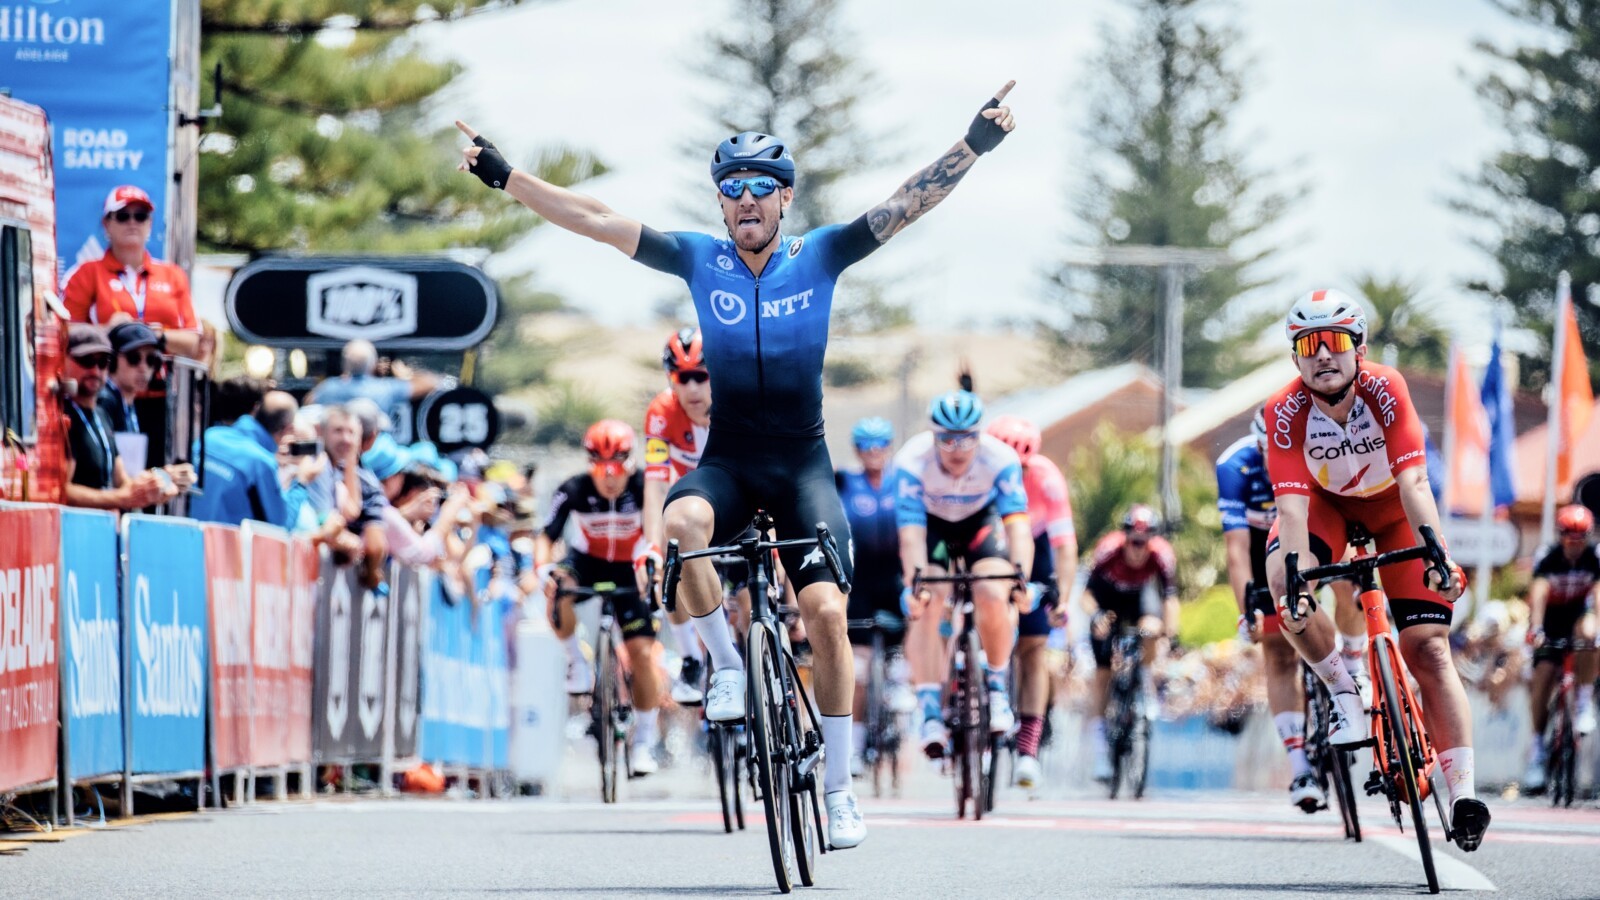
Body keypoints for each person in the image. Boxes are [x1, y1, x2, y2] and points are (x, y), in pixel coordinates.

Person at [456, 79, 1016, 848]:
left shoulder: (821, 255)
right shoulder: (697, 259)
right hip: (728, 462)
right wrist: (506, 175)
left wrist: (973, 146)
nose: (747, 200)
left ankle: (840, 789)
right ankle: (723, 664)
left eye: (762, 188)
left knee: (822, 614)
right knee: (683, 522)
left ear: (785, 200)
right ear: (721, 204)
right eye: (732, 189)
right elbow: (592, 219)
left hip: (803, 469)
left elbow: (907, 201)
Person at [1263, 288, 1489, 851]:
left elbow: (1415, 482)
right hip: (1327, 510)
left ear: (1358, 346)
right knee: (1281, 583)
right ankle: (1345, 689)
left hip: (1394, 510)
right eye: (1307, 345)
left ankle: (1463, 795)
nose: (1322, 356)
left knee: (1429, 649)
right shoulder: (1283, 411)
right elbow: (1291, 509)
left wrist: (1436, 552)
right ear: (1295, 356)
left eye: (1334, 342)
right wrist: (1296, 580)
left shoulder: (1386, 387)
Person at [897, 391, 1035, 758]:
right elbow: (911, 536)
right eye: (947, 439)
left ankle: (996, 686)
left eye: (967, 438)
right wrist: (915, 584)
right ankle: (929, 711)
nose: (958, 449)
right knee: (928, 599)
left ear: (980, 436)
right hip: (934, 527)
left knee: (993, 591)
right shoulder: (912, 460)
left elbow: (1019, 529)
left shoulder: (1000, 458)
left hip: (980, 524)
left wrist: (1021, 580)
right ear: (933, 436)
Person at [535, 420, 665, 775]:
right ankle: (576, 659)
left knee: (641, 655)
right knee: (558, 583)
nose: (609, 480)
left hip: (629, 566)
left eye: (617, 470)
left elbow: (662, 533)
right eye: (601, 470)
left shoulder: (643, 489)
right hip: (588, 561)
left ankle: (644, 743)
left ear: (630, 463)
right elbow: (545, 536)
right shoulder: (573, 489)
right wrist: (543, 570)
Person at [986, 414, 1076, 791]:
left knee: (1034, 649)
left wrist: (1062, 600)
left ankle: (1027, 751)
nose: (1014, 473)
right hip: (988, 540)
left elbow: (1065, 546)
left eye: (1021, 467)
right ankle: (969, 713)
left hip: (1033, 545)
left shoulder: (1046, 478)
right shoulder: (977, 470)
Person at [642, 327, 712, 706]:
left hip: (740, 506)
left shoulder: (735, 404)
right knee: (668, 567)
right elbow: (655, 486)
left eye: (701, 375)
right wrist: (651, 546)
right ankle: (691, 658)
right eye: (682, 378)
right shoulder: (660, 413)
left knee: (755, 591)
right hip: (693, 510)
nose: (692, 389)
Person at [1083, 504, 1178, 781]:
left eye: (1144, 542)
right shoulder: (1108, 550)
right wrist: (1096, 616)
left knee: (1151, 629)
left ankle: (1144, 683)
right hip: (1107, 600)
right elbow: (1085, 595)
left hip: (1139, 599)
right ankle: (1102, 751)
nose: (1138, 549)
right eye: (1134, 542)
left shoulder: (1161, 555)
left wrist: (1169, 635)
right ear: (1125, 538)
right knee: (1102, 674)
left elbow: (1170, 598)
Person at [837, 417, 908, 777]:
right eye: (866, 447)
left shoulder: (904, 481)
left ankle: (900, 683)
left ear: (890, 447)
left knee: (908, 634)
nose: (874, 454)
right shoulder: (846, 482)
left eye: (880, 446)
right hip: (860, 579)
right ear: (857, 451)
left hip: (896, 576)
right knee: (860, 669)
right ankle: (855, 743)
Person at [63, 186, 210, 361]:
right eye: (123, 216)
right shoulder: (86, 273)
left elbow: (193, 341)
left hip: (163, 383)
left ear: (149, 224)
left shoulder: (173, 275)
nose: (132, 222)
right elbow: (66, 334)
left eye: (140, 216)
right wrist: (108, 330)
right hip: (107, 382)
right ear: (106, 224)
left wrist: (153, 335)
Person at [62, 323, 191, 511]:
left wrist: (162, 479)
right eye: (87, 361)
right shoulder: (65, 415)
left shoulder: (100, 415)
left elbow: (125, 482)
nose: (96, 371)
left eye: (103, 362)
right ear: (64, 361)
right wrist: (121, 498)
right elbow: (59, 490)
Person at [1521, 504, 1600, 792]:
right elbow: (1539, 593)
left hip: (1579, 617)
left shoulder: (1594, 558)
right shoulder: (1548, 557)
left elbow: (1598, 593)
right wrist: (1537, 628)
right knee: (1543, 675)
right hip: (1551, 620)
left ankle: (1583, 703)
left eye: (1580, 540)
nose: (1575, 546)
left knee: (1591, 633)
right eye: (1570, 539)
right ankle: (1537, 748)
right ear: (1561, 536)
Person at [187, 377, 290, 528]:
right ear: (256, 410)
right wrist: (300, 483)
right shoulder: (261, 462)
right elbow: (281, 524)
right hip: (228, 547)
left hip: (188, 540)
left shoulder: (208, 436)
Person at [306, 339, 438, 441]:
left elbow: (308, 402)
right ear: (373, 363)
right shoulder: (385, 388)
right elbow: (432, 382)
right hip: (373, 451)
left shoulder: (328, 387)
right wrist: (406, 375)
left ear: (344, 363)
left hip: (338, 446)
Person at [98, 321, 162, 435]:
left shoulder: (125, 402)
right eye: (133, 358)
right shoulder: (104, 402)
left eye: (151, 360)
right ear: (112, 361)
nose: (143, 368)